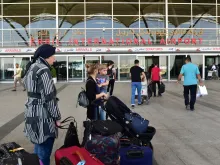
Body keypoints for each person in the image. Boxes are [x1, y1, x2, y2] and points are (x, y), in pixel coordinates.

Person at [23, 44, 61, 165]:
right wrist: (57, 117)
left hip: (31, 112)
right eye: (52, 56)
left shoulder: (32, 67)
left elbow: (26, 86)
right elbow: (49, 97)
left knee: (38, 148)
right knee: (44, 152)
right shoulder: (43, 70)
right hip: (43, 116)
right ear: (46, 56)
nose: (54, 59)